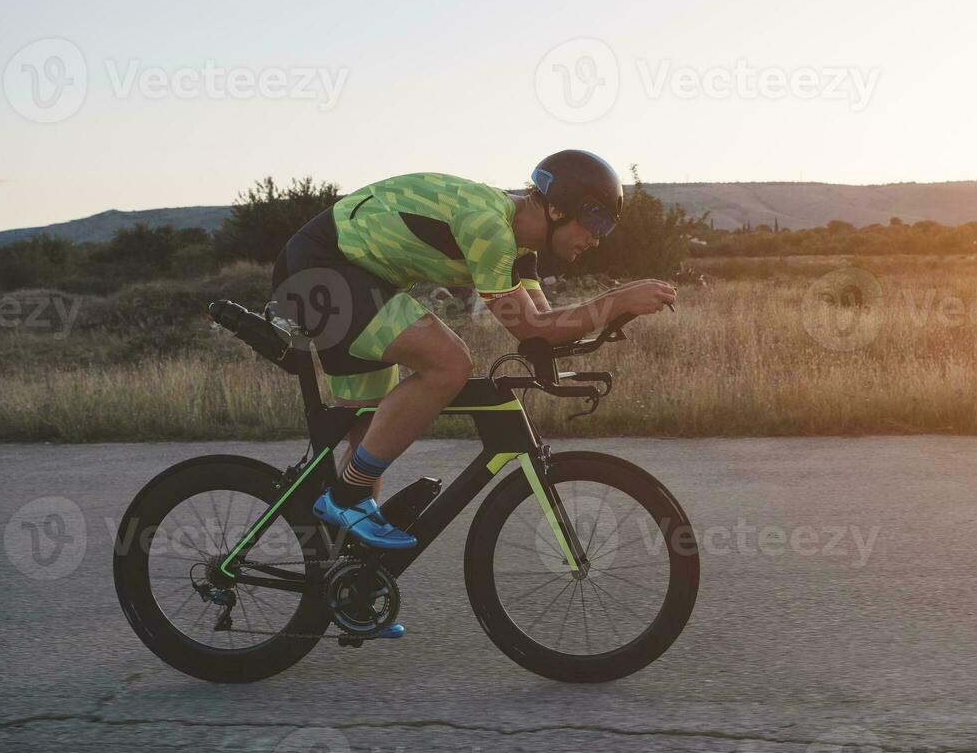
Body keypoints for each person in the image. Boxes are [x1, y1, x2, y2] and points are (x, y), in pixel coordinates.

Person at [271, 150, 676, 548]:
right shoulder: (488, 227)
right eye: (595, 221)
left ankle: (350, 587)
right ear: (557, 210)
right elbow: (534, 326)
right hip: (322, 269)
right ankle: (343, 498)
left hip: (349, 276)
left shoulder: (521, 250)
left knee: (371, 436)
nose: (597, 238)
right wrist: (618, 299)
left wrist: (612, 316)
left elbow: (542, 332)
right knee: (449, 363)